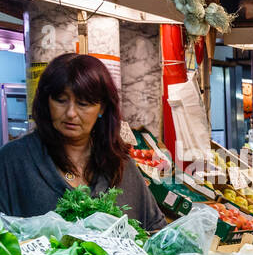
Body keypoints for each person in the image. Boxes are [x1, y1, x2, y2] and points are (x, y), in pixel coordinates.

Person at [0, 52, 165, 230]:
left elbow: (156, 231)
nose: (71, 113)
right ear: (47, 102)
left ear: (101, 108)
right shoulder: (13, 160)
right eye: (61, 100)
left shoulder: (121, 165)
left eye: (83, 103)